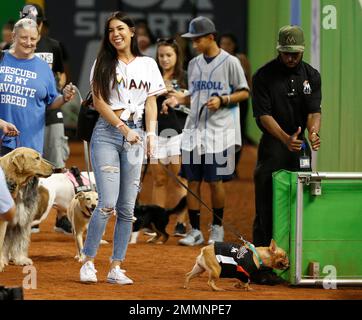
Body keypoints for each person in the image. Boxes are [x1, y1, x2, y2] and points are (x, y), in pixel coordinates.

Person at [79, 11, 166, 284]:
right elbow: (100, 103)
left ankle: (116, 267)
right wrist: (123, 128)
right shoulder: (102, 63)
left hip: (137, 136)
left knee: (127, 208)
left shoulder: (148, 64)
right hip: (108, 133)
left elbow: (151, 102)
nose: (115, 34)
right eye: (110, 31)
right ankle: (88, 262)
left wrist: (150, 135)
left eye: (120, 29)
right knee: (106, 203)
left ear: (131, 31)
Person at [163, 16, 249, 246]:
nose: (193, 44)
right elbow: (193, 96)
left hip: (219, 132)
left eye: (197, 40)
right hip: (194, 130)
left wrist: (223, 99)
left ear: (211, 37)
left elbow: (244, 92)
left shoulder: (230, 62)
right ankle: (195, 231)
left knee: (215, 181)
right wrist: (177, 99)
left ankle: (217, 228)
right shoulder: (194, 64)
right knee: (192, 181)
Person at [250, 25, 321, 285]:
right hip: (272, 147)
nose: (290, 58)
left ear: (301, 51)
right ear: (279, 49)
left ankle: (297, 262)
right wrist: (284, 139)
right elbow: (263, 115)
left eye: (295, 53)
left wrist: (312, 134)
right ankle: (260, 268)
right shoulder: (263, 76)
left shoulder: (311, 75)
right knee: (266, 205)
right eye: (286, 53)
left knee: (300, 202)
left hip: (299, 147)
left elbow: (314, 110)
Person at [20, 4, 72, 235]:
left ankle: (61, 216)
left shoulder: (53, 46)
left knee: (57, 161)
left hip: (51, 111)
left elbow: (61, 71)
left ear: (41, 24)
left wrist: (58, 87)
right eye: (25, 20)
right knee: (27, 164)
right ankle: (32, 214)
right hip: (25, 116)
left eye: (34, 21)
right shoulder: (11, 49)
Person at [0, 17, 75, 156]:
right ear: (13, 36)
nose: (29, 43)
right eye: (24, 38)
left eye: (33, 39)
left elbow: (51, 102)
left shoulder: (44, 68)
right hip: (2, 142)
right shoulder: (2, 59)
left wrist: (64, 98)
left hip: (30, 147)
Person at [151, 37, 189, 236]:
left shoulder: (185, 77)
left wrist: (180, 96)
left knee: (180, 179)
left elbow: (194, 103)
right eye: (161, 55)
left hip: (178, 133)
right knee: (158, 180)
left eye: (169, 55)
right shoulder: (151, 76)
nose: (165, 59)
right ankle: (157, 223)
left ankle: (182, 223)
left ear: (177, 56)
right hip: (156, 133)